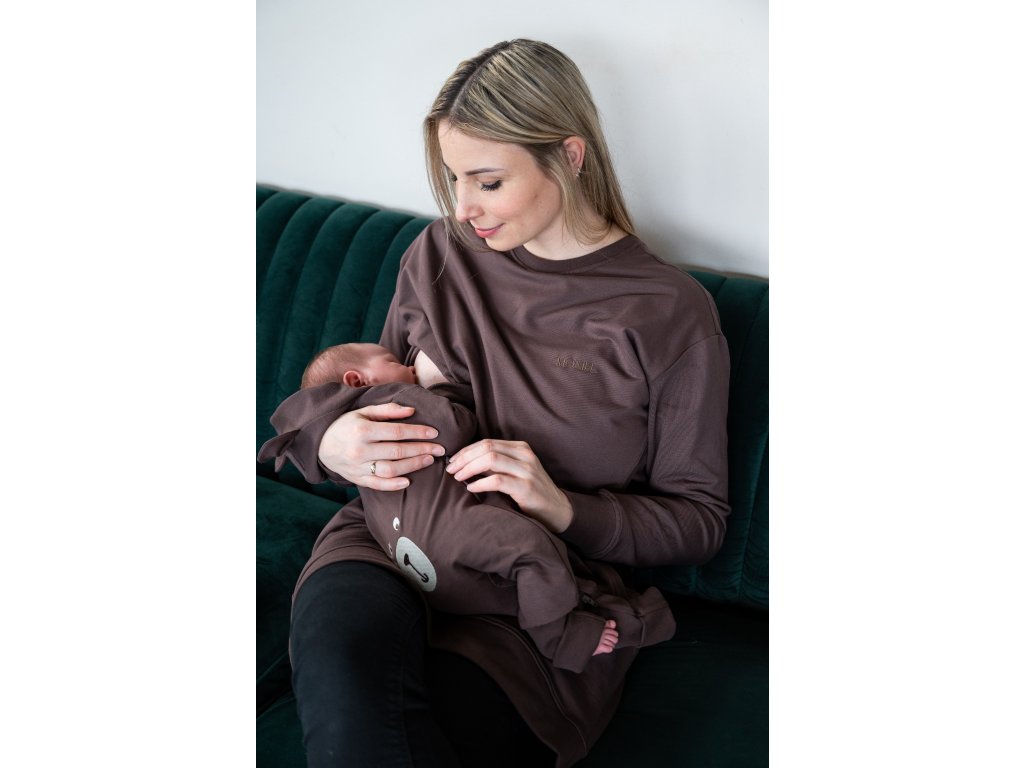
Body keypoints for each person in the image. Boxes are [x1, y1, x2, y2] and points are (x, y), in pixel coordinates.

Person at [275, 39, 731, 767]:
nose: (463, 208)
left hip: (537, 593)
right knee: (347, 698)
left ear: (570, 156)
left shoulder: (667, 314)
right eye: (453, 179)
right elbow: (371, 385)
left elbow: (698, 521)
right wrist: (332, 442)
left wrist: (562, 507)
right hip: (388, 541)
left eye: (487, 181)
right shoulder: (438, 254)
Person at [260, 342, 677, 671]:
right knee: (532, 551)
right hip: (450, 531)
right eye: (393, 361)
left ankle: (583, 609)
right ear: (358, 380)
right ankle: (561, 635)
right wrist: (442, 388)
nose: (407, 365)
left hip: (405, 551)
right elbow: (453, 426)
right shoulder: (389, 397)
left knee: (518, 581)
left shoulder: (346, 429)